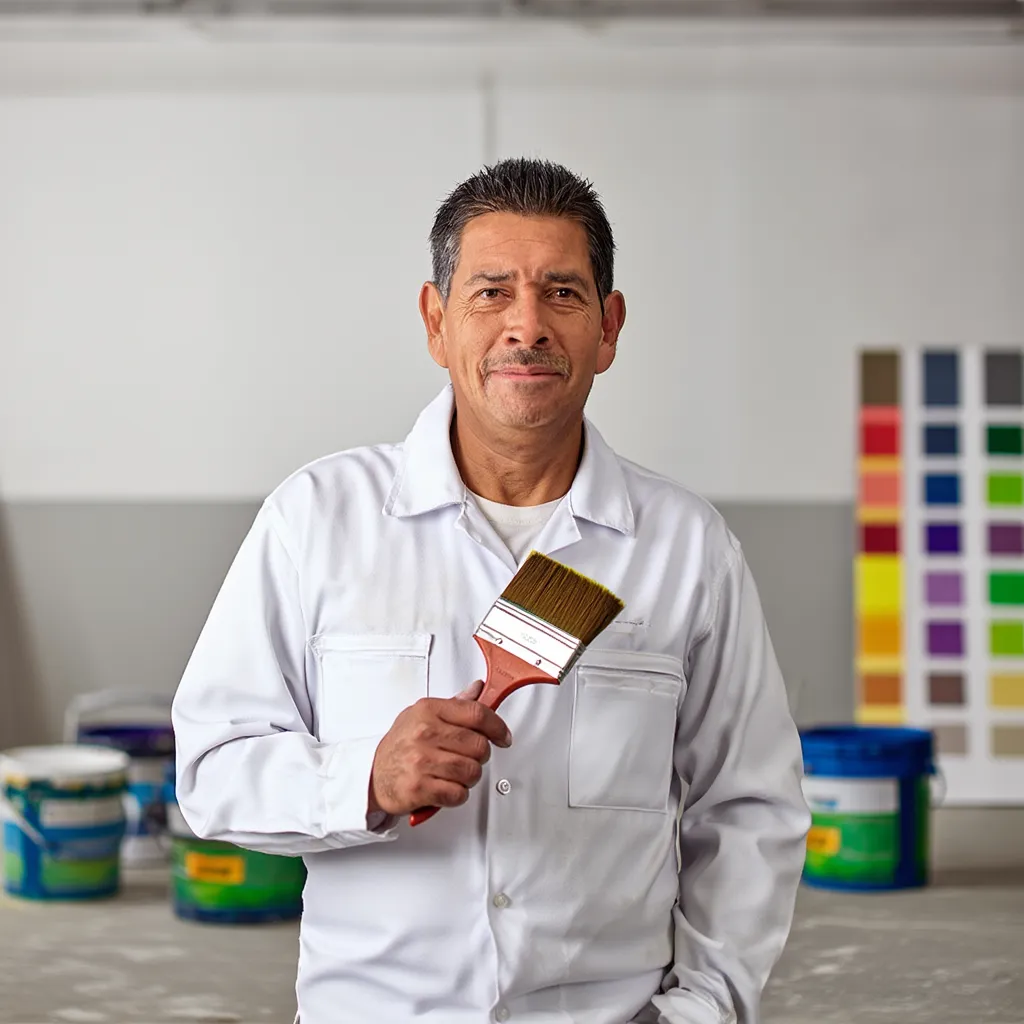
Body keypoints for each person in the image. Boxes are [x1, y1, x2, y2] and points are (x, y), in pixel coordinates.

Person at [172, 158, 810, 1024]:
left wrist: (703, 1009)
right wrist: (366, 775)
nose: (527, 325)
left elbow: (750, 808)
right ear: (436, 323)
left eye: (562, 293)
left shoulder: (685, 547)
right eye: (491, 293)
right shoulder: (316, 518)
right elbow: (212, 770)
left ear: (609, 328)